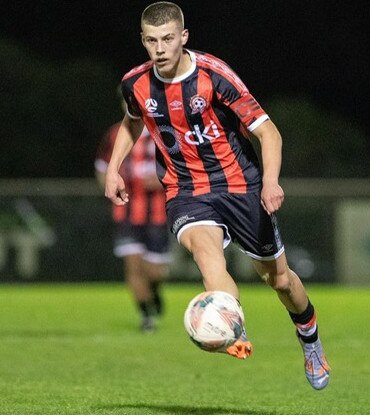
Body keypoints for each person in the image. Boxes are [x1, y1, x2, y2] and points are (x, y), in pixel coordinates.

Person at [105, 1, 330, 389]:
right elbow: (132, 121)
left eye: (168, 39)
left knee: (279, 280)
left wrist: (272, 181)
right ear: (143, 41)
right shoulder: (135, 84)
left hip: (240, 185)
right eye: (152, 41)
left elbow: (267, 132)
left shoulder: (214, 75)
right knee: (208, 257)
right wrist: (113, 169)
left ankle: (309, 338)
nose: (161, 48)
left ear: (184, 37)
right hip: (185, 189)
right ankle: (233, 328)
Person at [95, 94, 172, 332]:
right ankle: (147, 317)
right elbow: (101, 167)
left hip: (158, 213)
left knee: (154, 271)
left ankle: (155, 292)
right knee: (133, 267)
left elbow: (184, 170)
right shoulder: (114, 134)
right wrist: (110, 190)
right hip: (127, 212)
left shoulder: (166, 134)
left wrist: (162, 181)